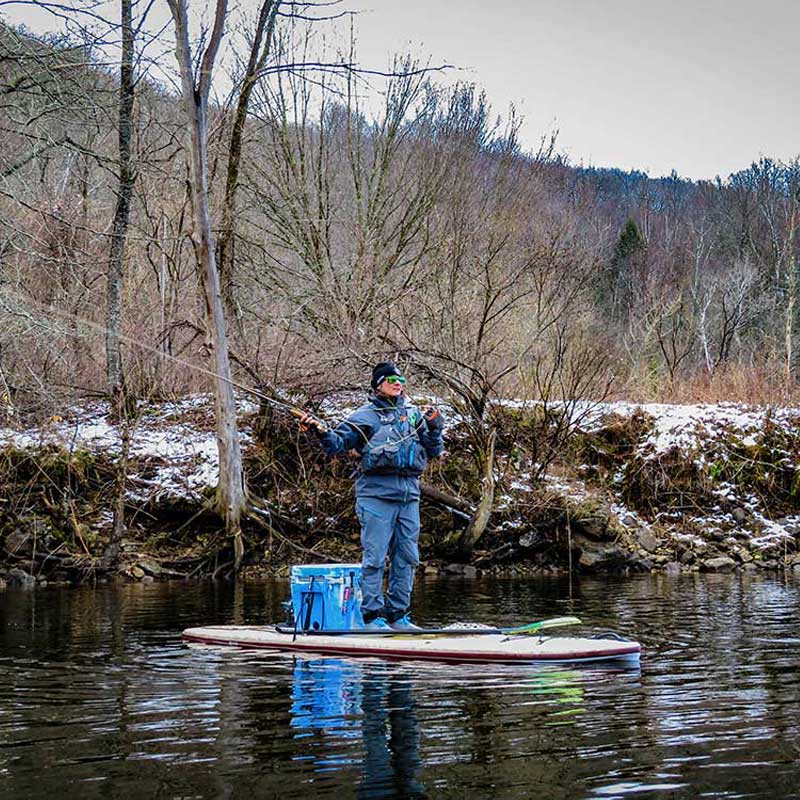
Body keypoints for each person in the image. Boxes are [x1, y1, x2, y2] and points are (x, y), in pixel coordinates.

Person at [299, 362, 445, 630]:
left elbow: (434, 451)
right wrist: (319, 431)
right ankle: (371, 617)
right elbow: (336, 444)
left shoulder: (413, 416)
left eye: (400, 378)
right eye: (391, 379)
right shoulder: (364, 416)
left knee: (408, 557)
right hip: (375, 495)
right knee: (375, 557)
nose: (397, 382)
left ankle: (398, 616)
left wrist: (435, 428)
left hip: (409, 496)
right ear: (378, 384)